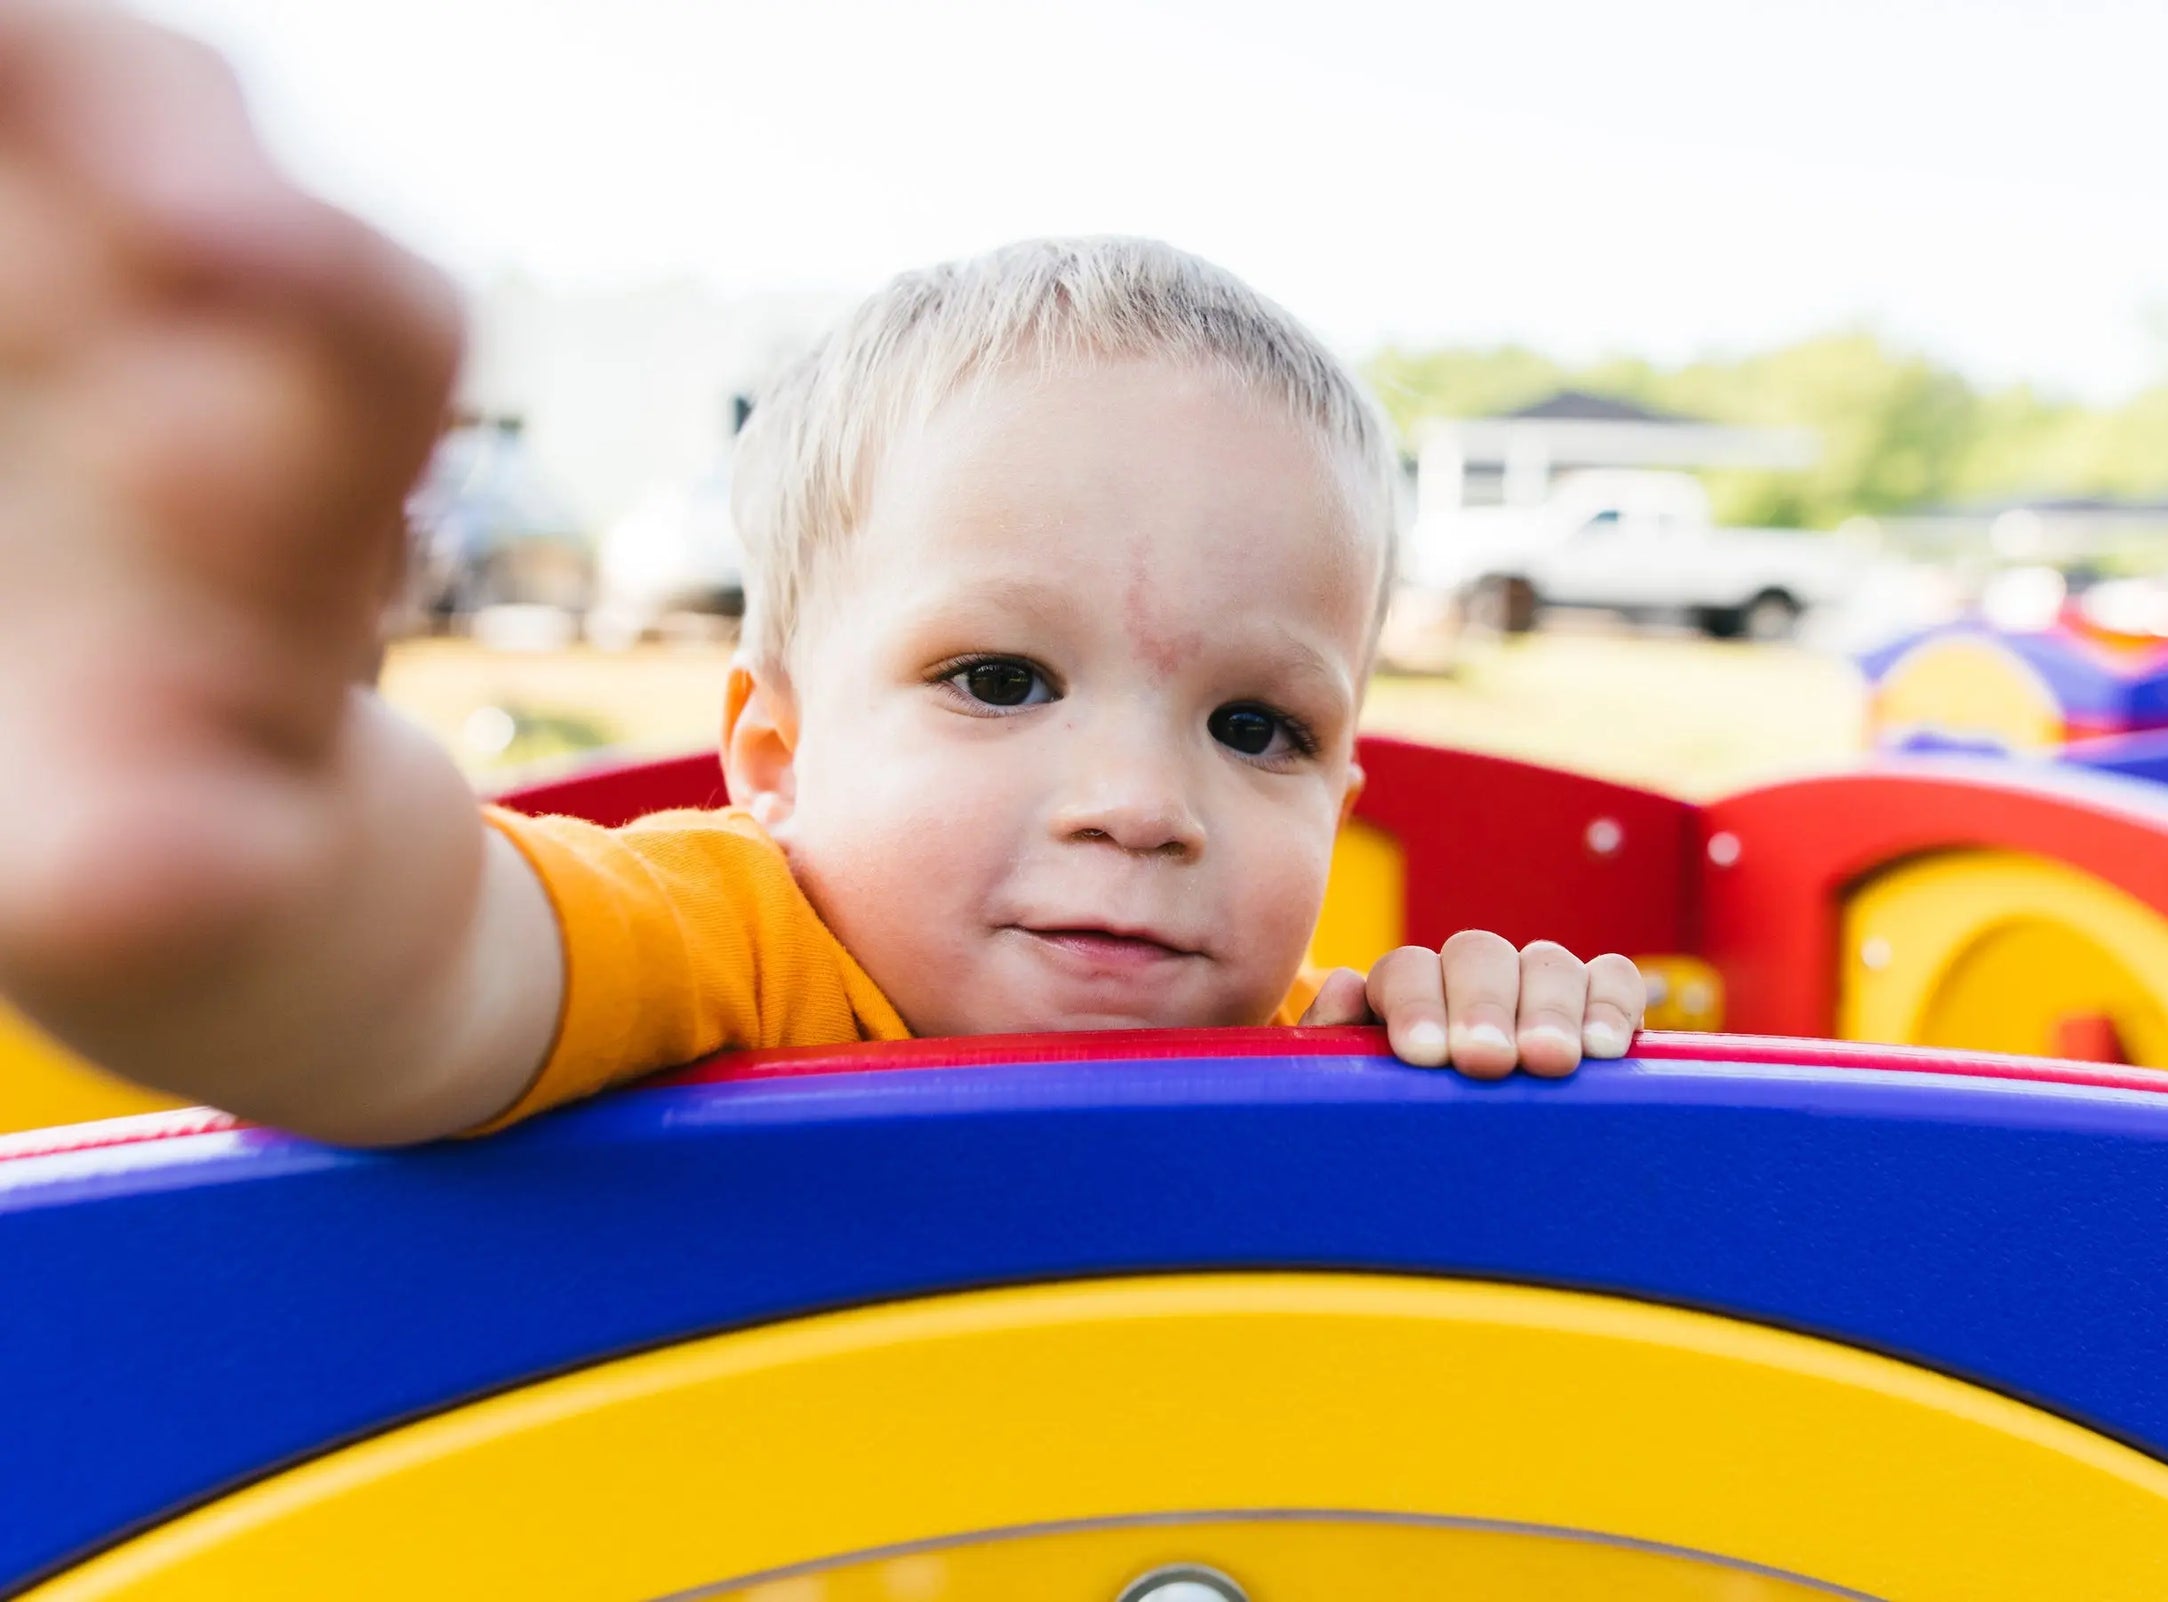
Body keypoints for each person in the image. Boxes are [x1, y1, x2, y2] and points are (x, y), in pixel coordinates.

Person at [0, 1, 1645, 1146]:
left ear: (1345, 788)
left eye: (1257, 726)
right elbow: (434, 975)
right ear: (776, 756)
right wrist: (243, 871)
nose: (1144, 804)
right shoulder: (736, 945)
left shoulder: (1306, 1046)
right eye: (1000, 679)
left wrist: (1482, 1061)